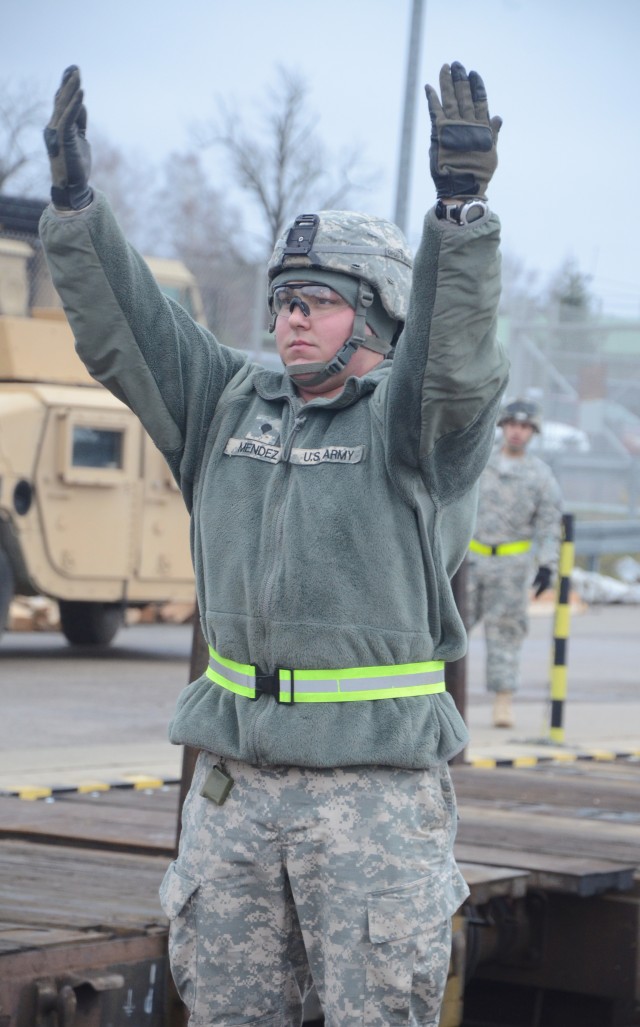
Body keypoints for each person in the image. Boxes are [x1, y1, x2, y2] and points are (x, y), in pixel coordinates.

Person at [40, 60, 508, 1027]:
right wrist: (78, 210)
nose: (291, 317)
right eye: (284, 299)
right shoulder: (223, 404)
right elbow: (128, 324)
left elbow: (454, 364)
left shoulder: (412, 429)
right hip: (234, 798)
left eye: (318, 299)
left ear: (375, 311)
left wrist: (458, 219)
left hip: (370, 803)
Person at [466, 399, 563, 728]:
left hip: (511, 565)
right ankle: (443, 697)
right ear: (502, 427)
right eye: (512, 425)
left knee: (506, 634)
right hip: (470, 560)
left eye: (524, 427)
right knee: (448, 628)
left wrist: (548, 565)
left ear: (532, 432)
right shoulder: (480, 462)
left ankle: (503, 702)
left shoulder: (541, 477)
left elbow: (550, 525)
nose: (517, 432)